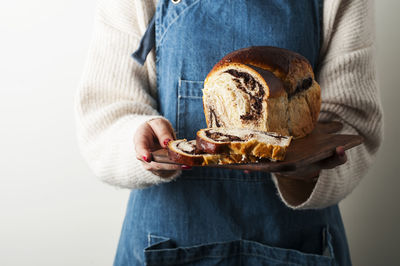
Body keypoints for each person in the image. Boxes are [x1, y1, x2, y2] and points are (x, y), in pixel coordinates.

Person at [75, 0, 383, 265]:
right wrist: (139, 138)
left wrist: (305, 170)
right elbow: (104, 114)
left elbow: (353, 120)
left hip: (299, 243)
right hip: (165, 240)